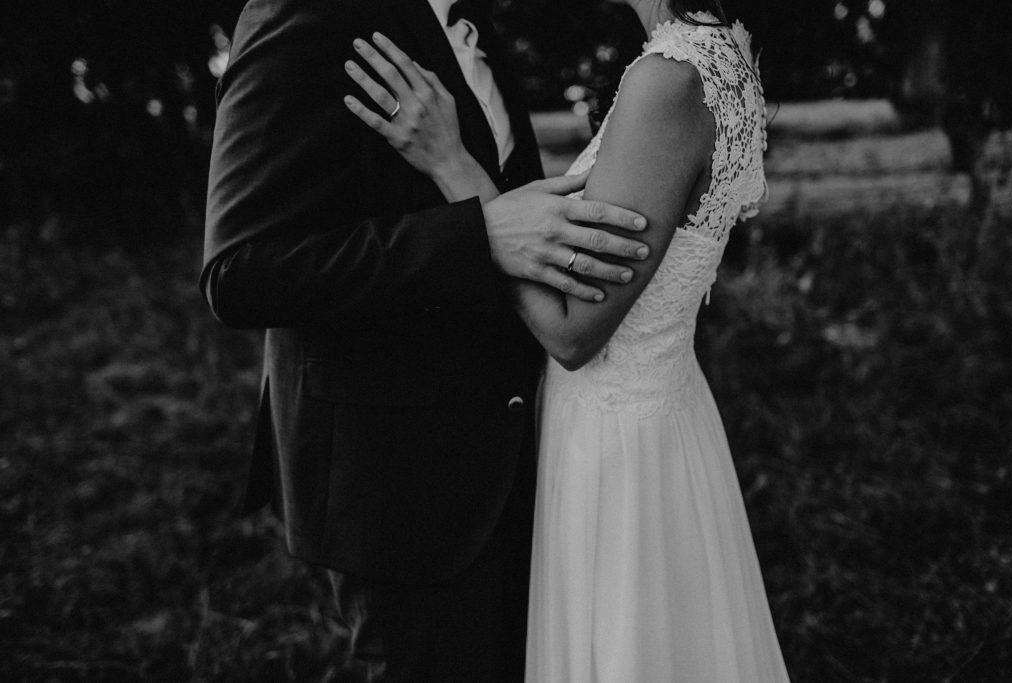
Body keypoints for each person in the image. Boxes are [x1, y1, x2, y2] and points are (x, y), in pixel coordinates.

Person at [200, 0, 655, 680]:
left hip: (517, 452)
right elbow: (237, 272)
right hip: (400, 484)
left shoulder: (473, 22)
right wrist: (477, 237)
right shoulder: (304, 13)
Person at [343, 0, 791, 680]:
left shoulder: (669, 79)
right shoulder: (718, 52)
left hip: (616, 451)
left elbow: (572, 329)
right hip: (658, 415)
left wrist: (449, 162)